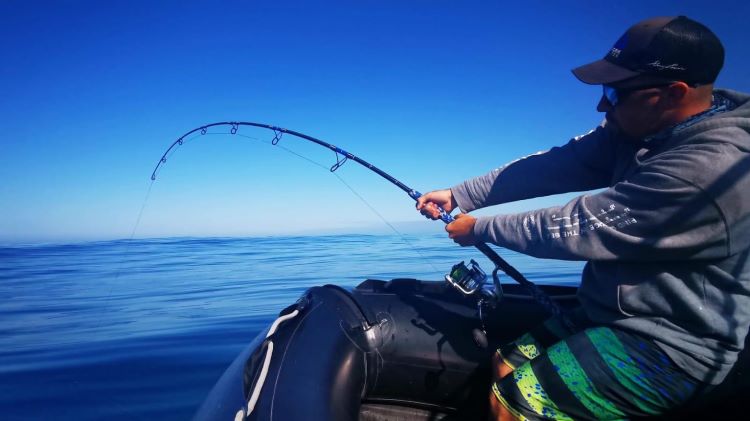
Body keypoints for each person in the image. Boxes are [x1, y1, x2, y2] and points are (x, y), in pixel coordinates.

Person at [417, 16, 750, 420]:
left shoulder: (711, 170)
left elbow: (583, 225)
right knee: (506, 360)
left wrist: (479, 229)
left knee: (510, 405)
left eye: (614, 91)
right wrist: (461, 194)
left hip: (672, 343)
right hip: (608, 313)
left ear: (672, 93)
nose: (601, 105)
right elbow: (557, 165)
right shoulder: (635, 132)